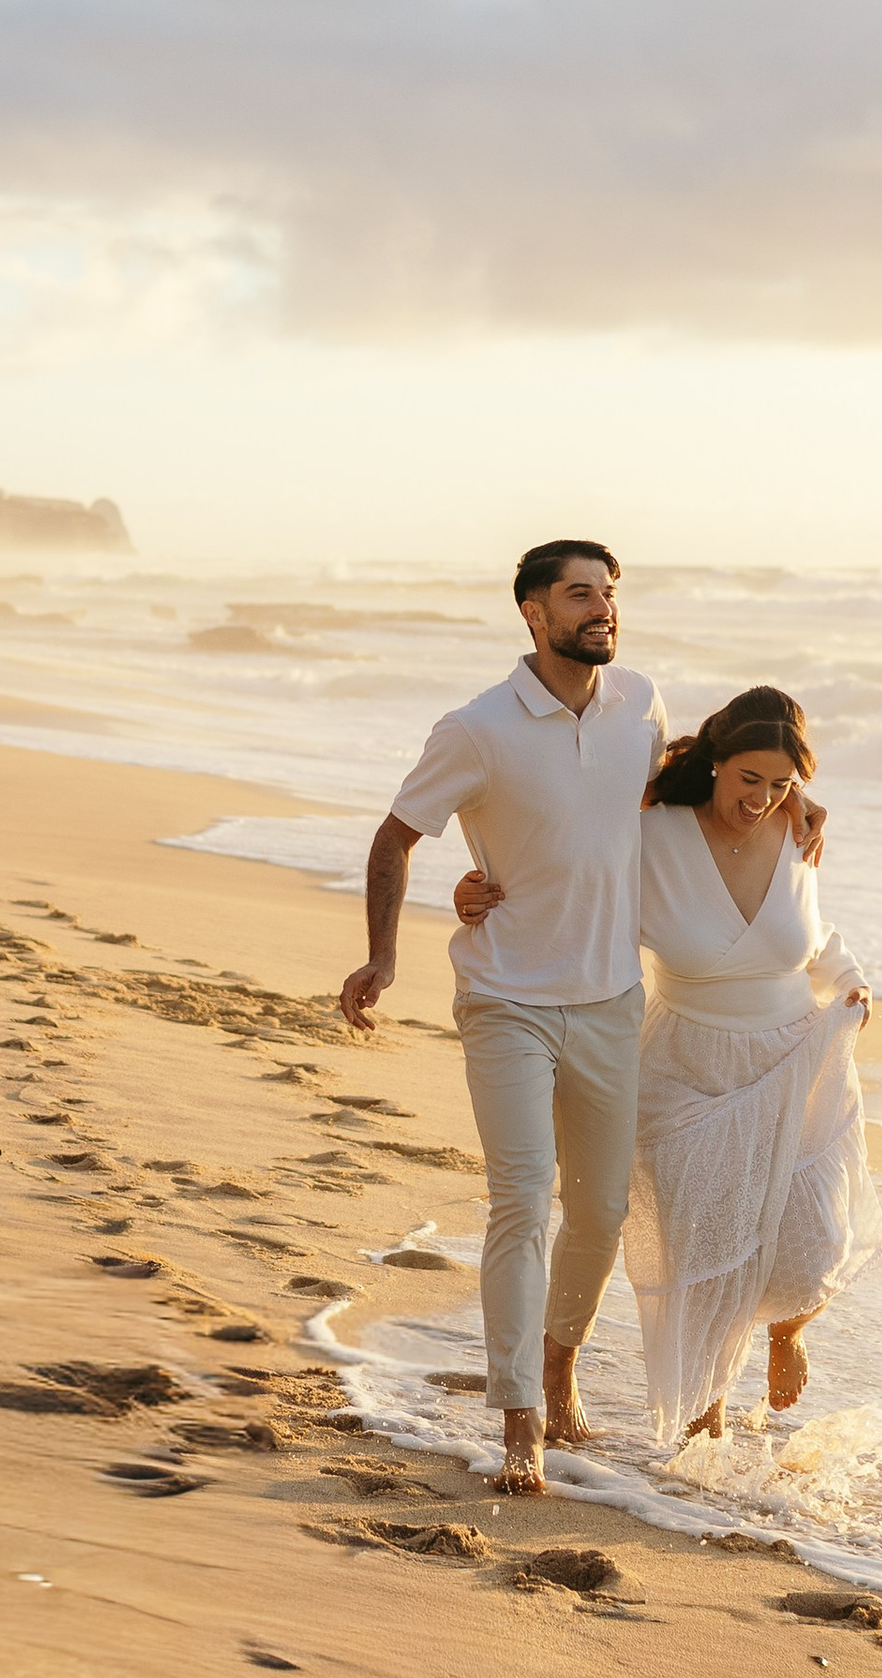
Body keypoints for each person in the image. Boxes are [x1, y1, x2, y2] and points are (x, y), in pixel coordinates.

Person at [339, 547, 820, 1498]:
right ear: (532, 613)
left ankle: (557, 1366)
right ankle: (520, 1415)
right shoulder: (476, 728)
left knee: (599, 1211)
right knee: (521, 1199)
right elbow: (396, 834)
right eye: (579, 595)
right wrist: (388, 953)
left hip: (609, 1001)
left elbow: (686, 790)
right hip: (508, 998)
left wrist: (798, 797)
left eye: (609, 595)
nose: (602, 610)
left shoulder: (640, 703)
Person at [457, 684, 878, 1445]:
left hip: (792, 1057)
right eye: (749, 778)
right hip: (686, 1063)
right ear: (715, 761)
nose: (762, 798)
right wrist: (481, 891)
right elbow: (563, 875)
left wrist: (849, 981)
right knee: (706, 1254)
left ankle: (787, 1333)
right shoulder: (651, 834)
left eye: (781, 784)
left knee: (815, 1241)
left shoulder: (796, 828)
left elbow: (811, 931)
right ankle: (700, 1421)